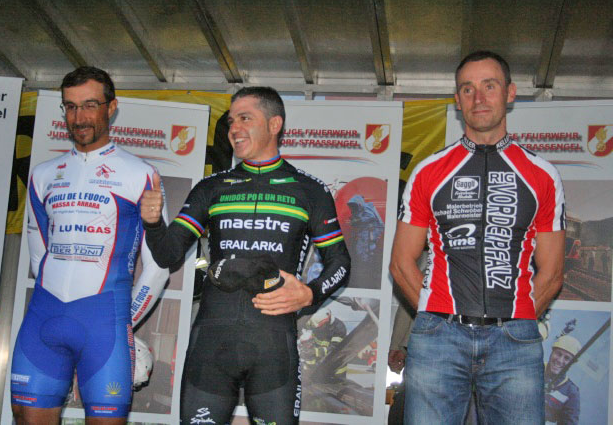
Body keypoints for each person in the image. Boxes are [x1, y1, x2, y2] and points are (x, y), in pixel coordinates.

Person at [140, 86, 351, 424]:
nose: (234, 129)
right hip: (211, 343)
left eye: (245, 119)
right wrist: (152, 223)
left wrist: (310, 293)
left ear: (274, 124)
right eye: (231, 121)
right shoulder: (211, 187)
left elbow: (340, 263)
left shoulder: (309, 190)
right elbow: (168, 254)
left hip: (273, 345)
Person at [389, 50, 566, 424]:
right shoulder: (428, 172)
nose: (478, 98)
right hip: (438, 340)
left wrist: (516, 322)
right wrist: (435, 318)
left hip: (514, 344)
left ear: (510, 93)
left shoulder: (543, 175)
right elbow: (401, 263)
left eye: (489, 86)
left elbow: (551, 273)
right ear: (457, 100)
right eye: (467, 89)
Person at [10, 66, 169, 424]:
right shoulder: (43, 175)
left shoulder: (140, 174)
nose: (79, 117)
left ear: (111, 107)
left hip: (105, 326)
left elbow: (159, 267)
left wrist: (123, 320)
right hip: (44, 320)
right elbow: (39, 257)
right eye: (70, 106)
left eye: (89, 105)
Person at [545, 335, 581, 424]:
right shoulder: (532, 367)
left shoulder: (571, 393)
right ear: (552, 352)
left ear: (571, 363)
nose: (560, 360)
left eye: (567, 358)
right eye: (558, 354)